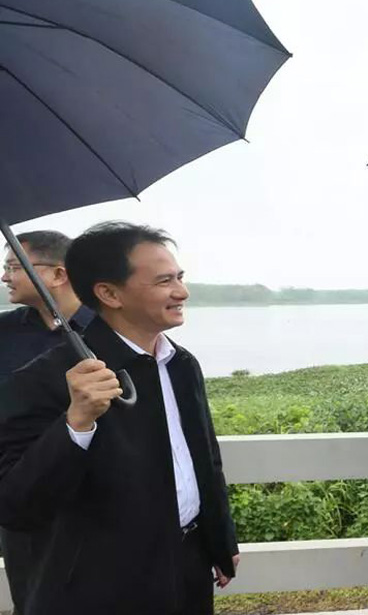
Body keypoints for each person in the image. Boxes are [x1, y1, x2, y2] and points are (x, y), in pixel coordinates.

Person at [0, 222, 239, 615]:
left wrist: (220, 539)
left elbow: (204, 458)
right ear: (109, 294)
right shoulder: (45, 378)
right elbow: (16, 504)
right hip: (95, 586)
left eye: (179, 277)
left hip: (186, 567)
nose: (182, 292)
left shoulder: (180, 363)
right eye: (164, 281)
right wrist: (76, 423)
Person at [0, 230, 93, 614]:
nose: (4, 277)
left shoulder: (108, 329)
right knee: (34, 599)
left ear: (58, 274)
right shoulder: (4, 332)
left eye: (13, 267)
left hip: (95, 497)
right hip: (25, 493)